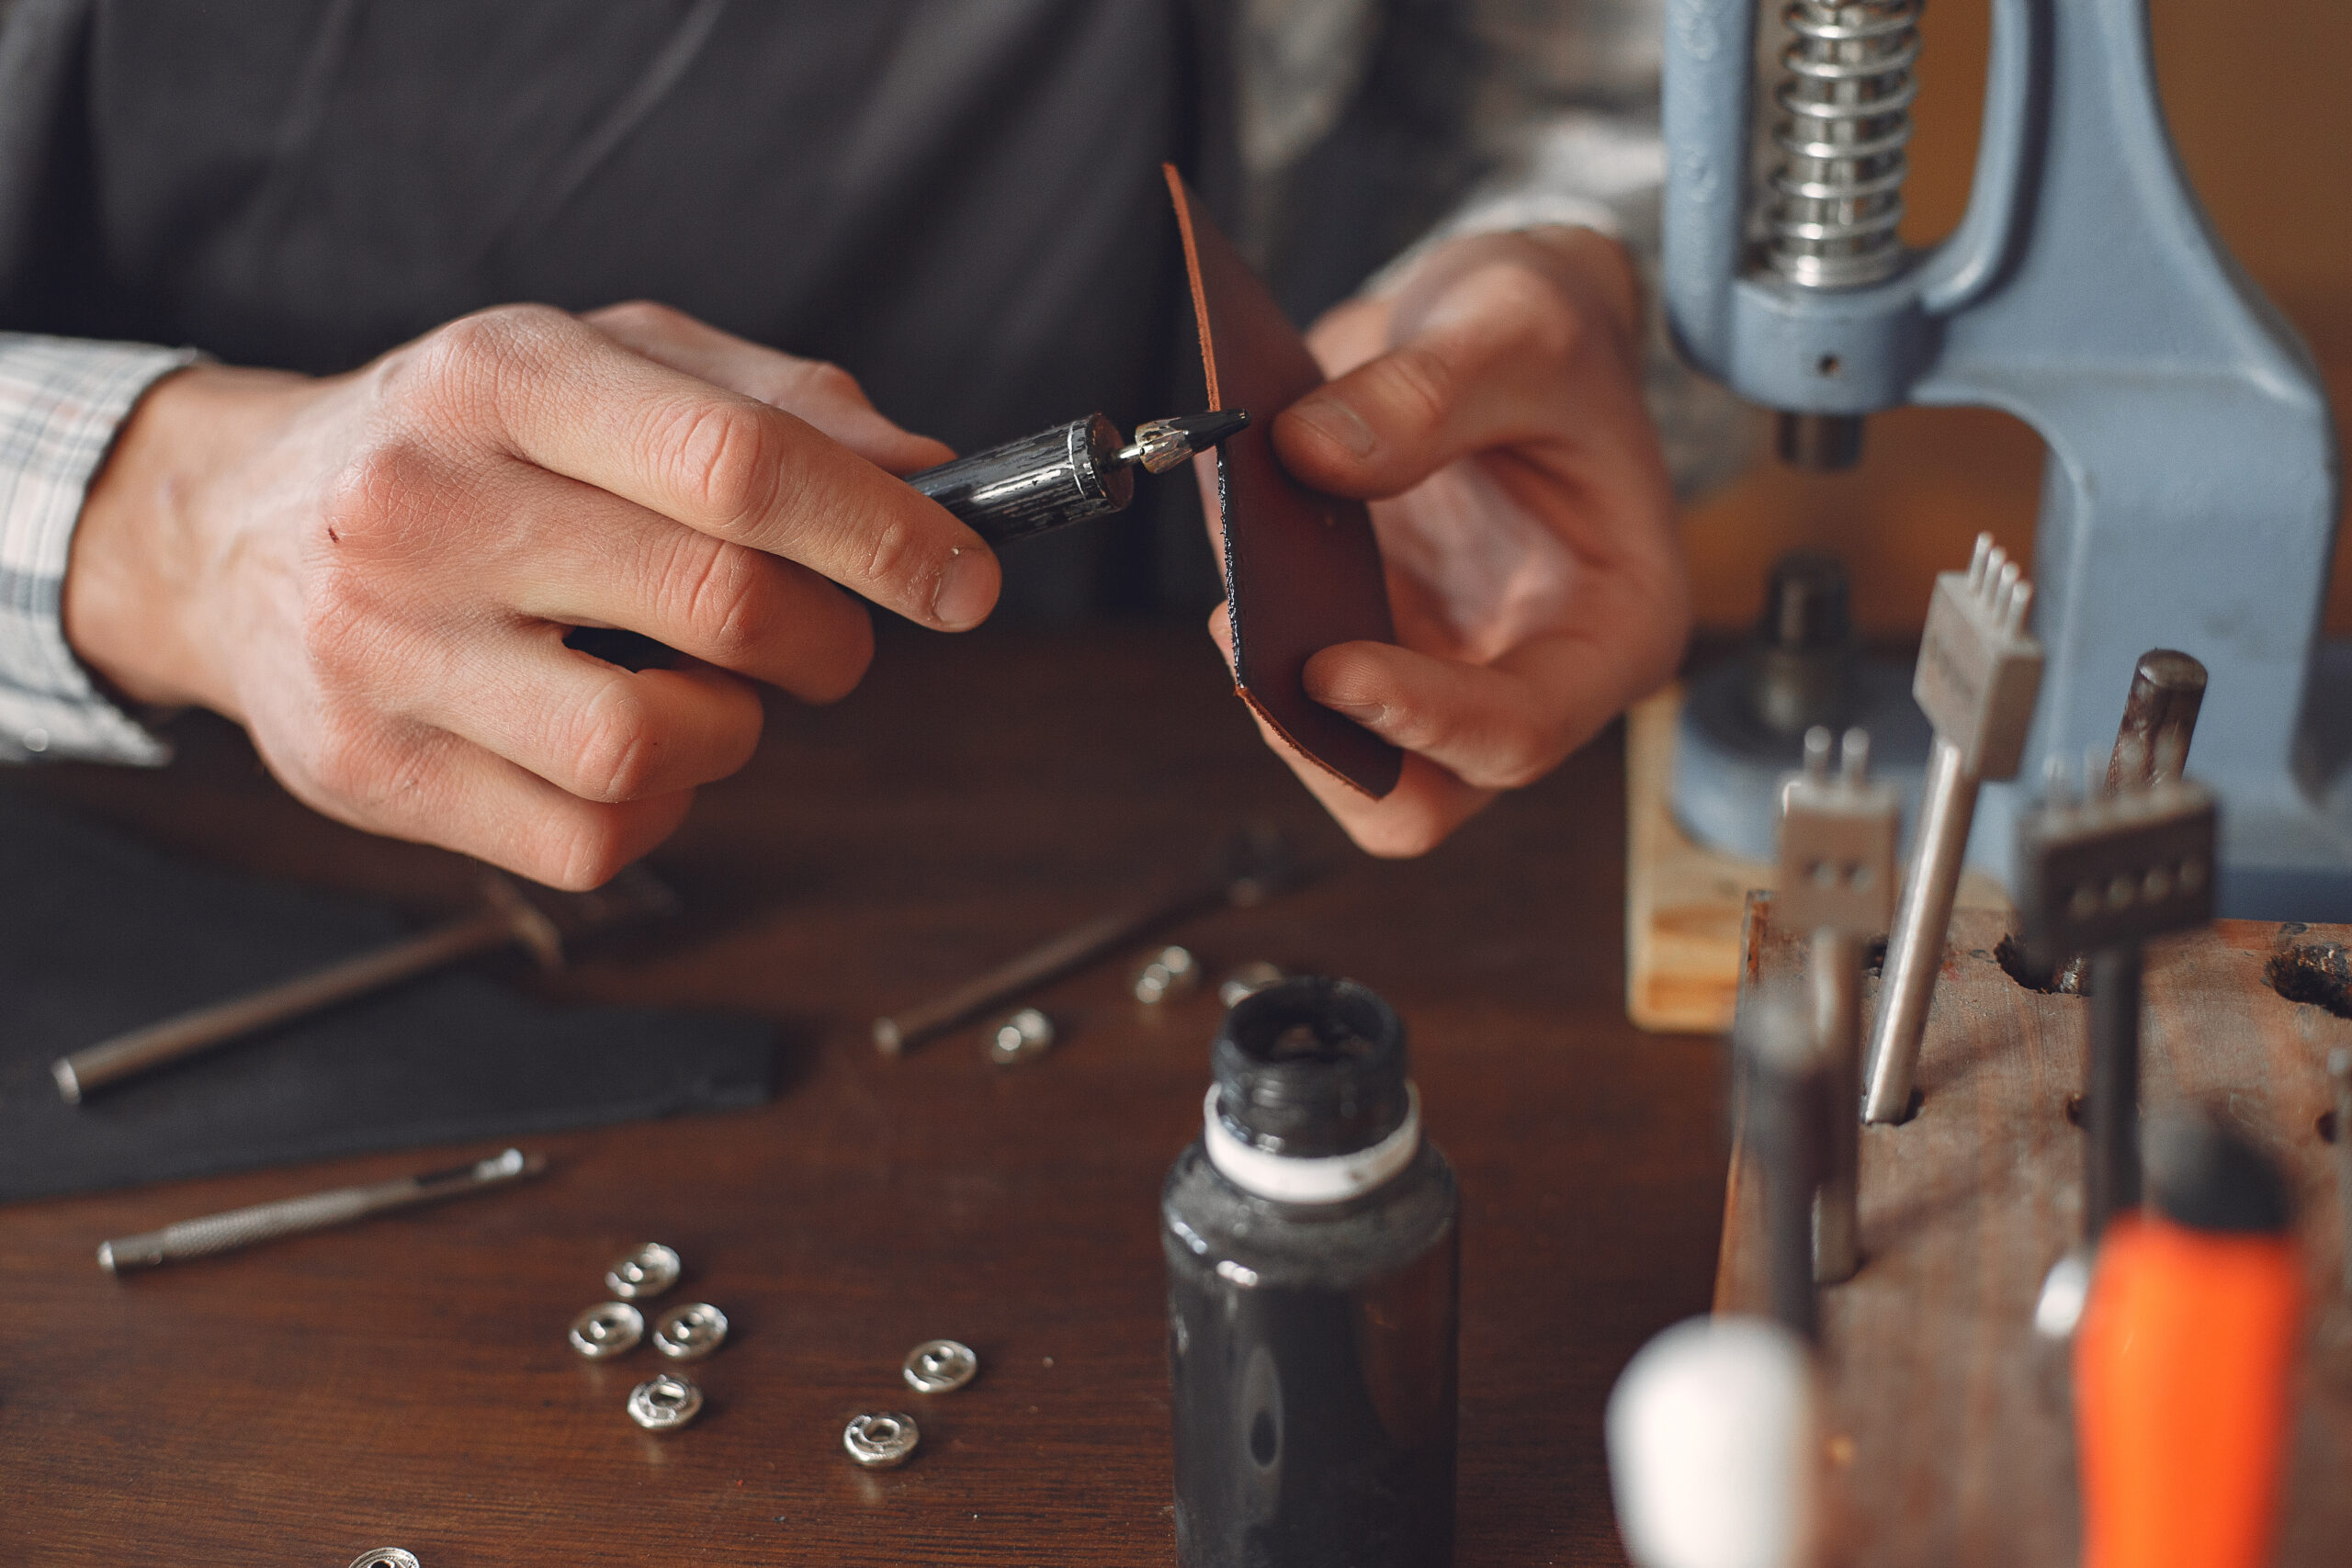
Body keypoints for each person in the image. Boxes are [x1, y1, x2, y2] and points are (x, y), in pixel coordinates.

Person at [0, 0, 1730, 888]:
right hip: (146, 821)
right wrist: (170, 521)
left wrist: (1568, 263)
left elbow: (1602, 81)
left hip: (1126, 744)